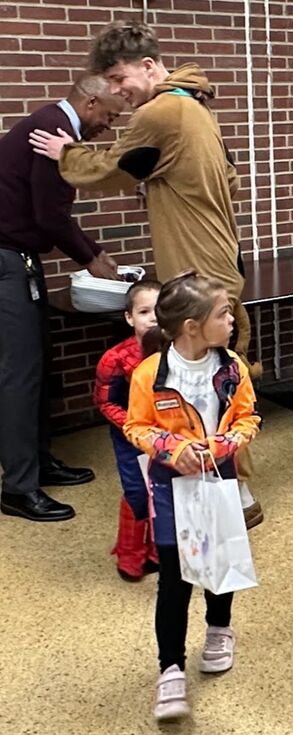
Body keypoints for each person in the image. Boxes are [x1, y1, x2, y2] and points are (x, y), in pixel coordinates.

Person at [30, 20, 263, 518]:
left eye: (120, 79)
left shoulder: (161, 109)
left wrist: (65, 154)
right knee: (220, 377)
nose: (117, 92)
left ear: (150, 66)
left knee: (212, 385)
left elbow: (113, 166)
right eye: (109, 84)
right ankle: (229, 489)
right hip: (219, 257)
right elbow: (227, 177)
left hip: (198, 266)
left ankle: (236, 495)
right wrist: (163, 185)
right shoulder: (195, 106)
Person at [124, 271, 261, 722]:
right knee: (174, 578)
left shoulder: (232, 368)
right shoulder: (150, 375)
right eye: (224, 314)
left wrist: (222, 447)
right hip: (170, 487)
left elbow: (248, 418)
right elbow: (136, 427)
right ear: (191, 326)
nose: (232, 321)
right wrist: (174, 449)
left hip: (219, 478)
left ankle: (219, 629)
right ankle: (170, 669)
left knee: (221, 557)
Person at [0, 75, 123, 523]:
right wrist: (91, 256)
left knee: (37, 365)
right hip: (6, 261)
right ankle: (18, 487)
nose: (107, 127)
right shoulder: (55, 132)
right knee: (19, 375)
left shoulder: (52, 124)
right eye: (108, 116)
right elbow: (50, 216)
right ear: (90, 102)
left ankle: (38, 463)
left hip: (19, 259)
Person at [95, 279, 163, 581]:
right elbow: (105, 403)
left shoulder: (179, 353)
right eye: (144, 311)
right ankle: (130, 553)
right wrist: (136, 428)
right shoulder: (114, 359)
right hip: (129, 437)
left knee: (165, 493)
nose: (153, 318)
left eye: (159, 310)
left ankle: (158, 550)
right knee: (136, 492)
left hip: (167, 438)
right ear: (129, 317)